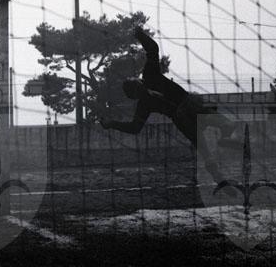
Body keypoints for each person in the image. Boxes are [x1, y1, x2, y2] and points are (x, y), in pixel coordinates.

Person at [99, 27, 237, 193]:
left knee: (203, 147)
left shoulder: (144, 104)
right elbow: (153, 48)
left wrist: (111, 124)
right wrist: (140, 35)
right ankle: (226, 133)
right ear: (137, 82)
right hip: (187, 104)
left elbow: (134, 128)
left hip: (180, 118)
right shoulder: (149, 76)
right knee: (215, 120)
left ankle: (219, 178)